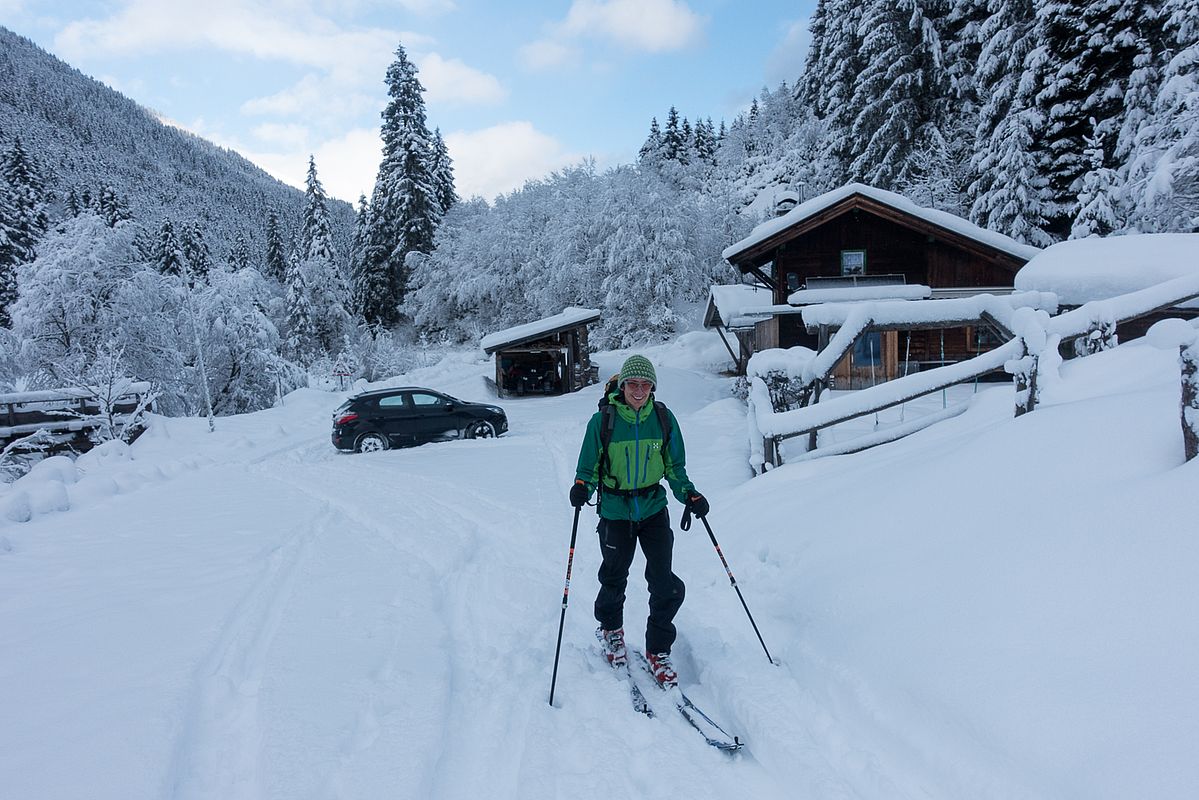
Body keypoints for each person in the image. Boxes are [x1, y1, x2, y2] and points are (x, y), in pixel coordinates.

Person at [569, 354, 709, 688]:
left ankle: (658, 649)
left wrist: (688, 494)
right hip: (616, 511)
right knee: (614, 577)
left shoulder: (662, 419)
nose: (639, 390)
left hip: (653, 508)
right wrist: (580, 487)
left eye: (646, 385)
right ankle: (611, 631)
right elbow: (587, 467)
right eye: (633, 384)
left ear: (653, 388)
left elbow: (674, 467)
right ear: (623, 385)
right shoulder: (603, 421)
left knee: (665, 583)